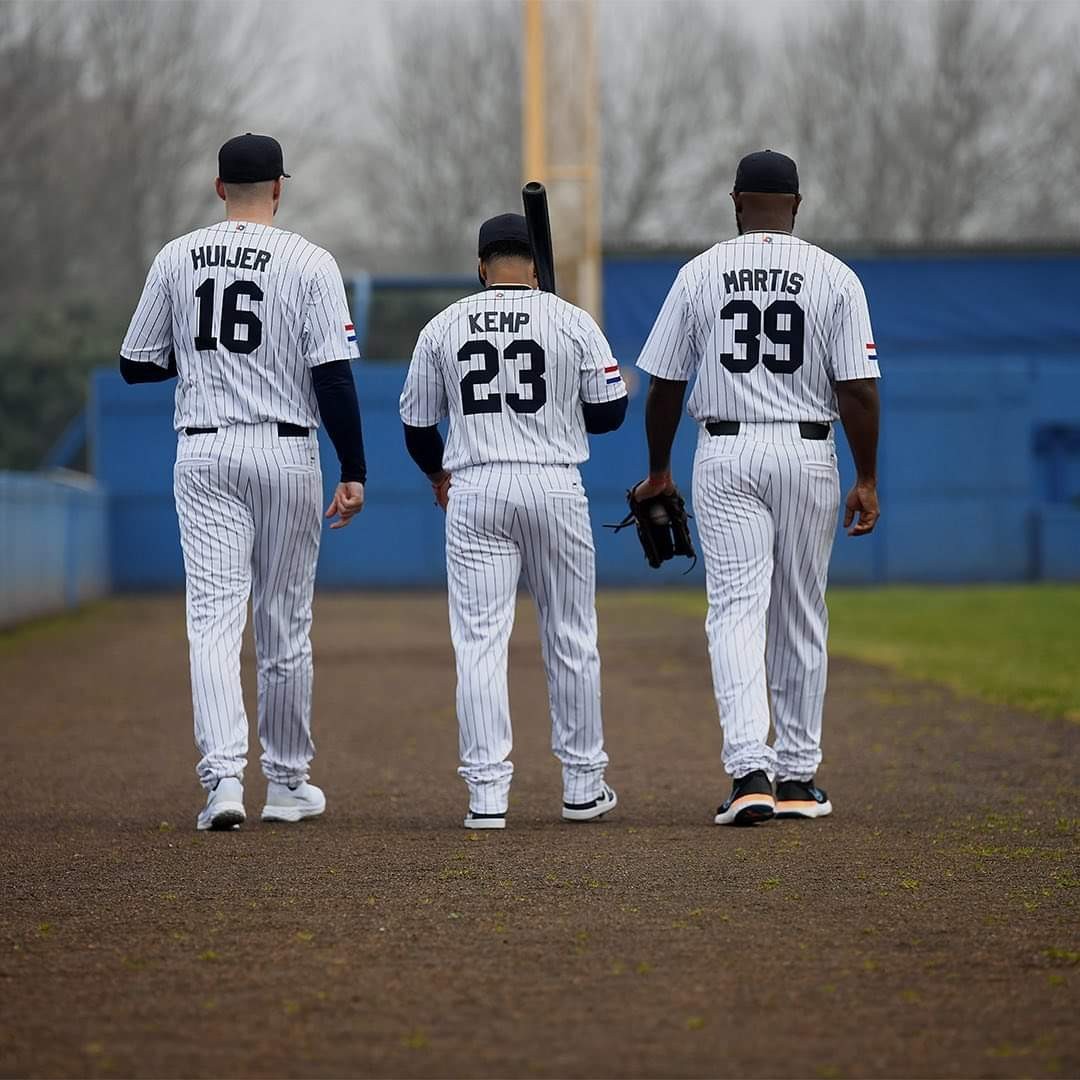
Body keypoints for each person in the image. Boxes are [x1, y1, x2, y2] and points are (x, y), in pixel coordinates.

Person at [119, 133, 367, 831]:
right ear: (279, 188)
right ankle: (286, 784)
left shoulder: (176, 256)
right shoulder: (311, 261)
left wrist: (204, 359)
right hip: (286, 450)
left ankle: (223, 781)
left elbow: (135, 363)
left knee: (213, 620)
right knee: (284, 621)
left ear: (219, 187)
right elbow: (333, 377)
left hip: (204, 451)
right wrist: (354, 469)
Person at [633, 150, 881, 825]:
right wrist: (866, 477)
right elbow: (859, 391)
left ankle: (750, 772)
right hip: (809, 451)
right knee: (801, 611)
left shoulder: (699, 273)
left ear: (736, 202)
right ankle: (798, 777)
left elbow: (664, 385)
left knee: (737, 611)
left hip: (726, 450)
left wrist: (659, 468)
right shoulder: (835, 276)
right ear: (796, 205)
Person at [399, 213, 627, 829]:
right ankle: (583, 785)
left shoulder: (443, 325)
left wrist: (438, 476)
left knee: (479, 643)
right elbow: (610, 414)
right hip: (554, 482)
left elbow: (417, 426)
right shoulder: (571, 319)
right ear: (537, 264)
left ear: (482, 266)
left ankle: (486, 796)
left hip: (476, 486)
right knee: (571, 636)